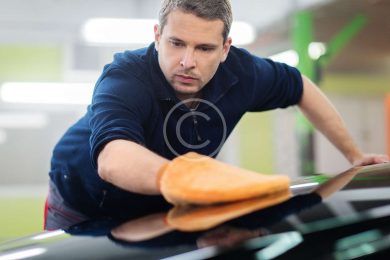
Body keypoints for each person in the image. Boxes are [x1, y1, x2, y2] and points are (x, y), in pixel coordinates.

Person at [44, 0, 388, 230]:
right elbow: (113, 158)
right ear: (157, 36)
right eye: (176, 43)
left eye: (204, 48)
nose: (187, 61)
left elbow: (299, 85)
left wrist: (354, 155)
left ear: (225, 49)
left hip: (160, 202)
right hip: (82, 199)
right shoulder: (125, 76)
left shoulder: (244, 72)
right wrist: (193, 181)